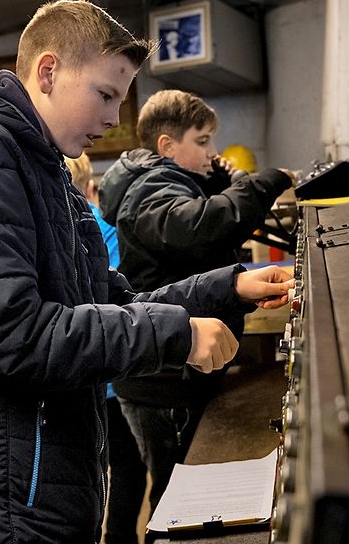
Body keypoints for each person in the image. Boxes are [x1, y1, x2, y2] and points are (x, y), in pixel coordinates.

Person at [0, 0, 292, 544]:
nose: (115, 116)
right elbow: (11, 332)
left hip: (40, 489)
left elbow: (109, 302)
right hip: (5, 502)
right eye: (106, 95)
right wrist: (178, 334)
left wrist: (228, 287)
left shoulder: (43, 167)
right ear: (48, 72)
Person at [97, 88, 293, 518]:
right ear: (167, 145)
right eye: (202, 141)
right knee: (174, 503)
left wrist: (223, 178)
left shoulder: (168, 184)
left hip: (174, 374)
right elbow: (202, 228)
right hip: (162, 383)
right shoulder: (151, 190)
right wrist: (265, 181)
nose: (212, 151)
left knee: (181, 492)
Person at [65, 153, 145, 544]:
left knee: (98, 464)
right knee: (128, 464)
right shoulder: (104, 228)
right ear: (91, 186)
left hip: (84, 370)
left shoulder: (70, 232)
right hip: (110, 377)